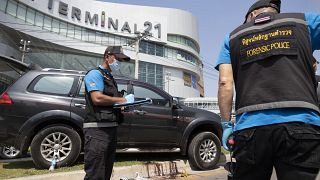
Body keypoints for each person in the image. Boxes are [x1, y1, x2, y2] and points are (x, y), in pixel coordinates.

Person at [215, 0, 320, 179]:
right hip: (301, 125)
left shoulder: (232, 38)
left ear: (253, 15)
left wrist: (226, 124)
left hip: (250, 129)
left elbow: (225, 83)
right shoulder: (304, 22)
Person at [83, 46, 134, 180]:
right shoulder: (95, 74)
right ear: (107, 57)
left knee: (106, 172)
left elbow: (110, 102)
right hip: (97, 131)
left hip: (110, 129)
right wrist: (122, 100)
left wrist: (122, 106)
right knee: (96, 174)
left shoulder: (109, 77)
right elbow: (97, 98)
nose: (119, 63)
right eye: (117, 59)